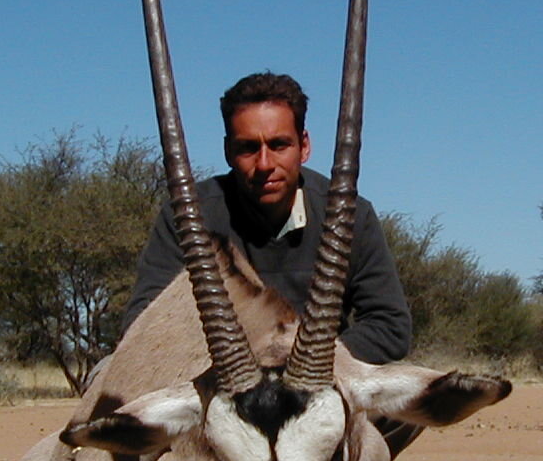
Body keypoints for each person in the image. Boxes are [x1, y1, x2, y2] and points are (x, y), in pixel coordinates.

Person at [120, 71, 412, 365]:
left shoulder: (352, 215)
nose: (264, 164)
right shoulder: (186, 215)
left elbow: (390, 325)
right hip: (218, 382)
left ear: (304, 145)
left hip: (321, 382)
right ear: (228, 151)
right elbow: (140, 325)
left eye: (278, 145)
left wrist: (299, 361)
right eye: (248, 148)